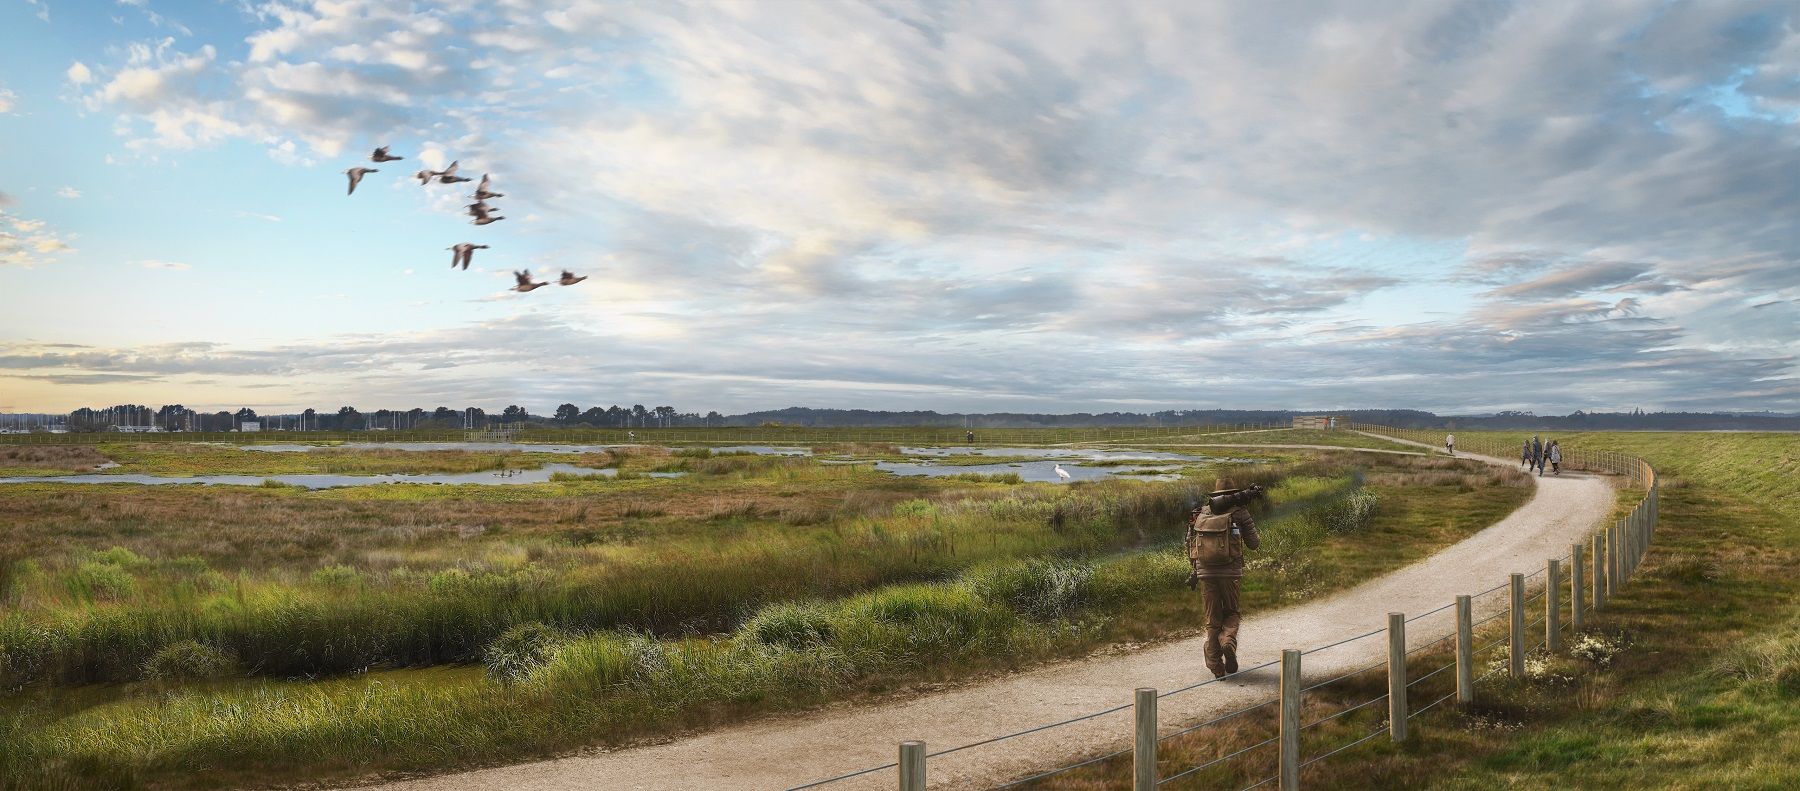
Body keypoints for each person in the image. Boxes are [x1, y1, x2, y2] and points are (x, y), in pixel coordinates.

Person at [1186, 486, 1263, 679]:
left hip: (1205, 573)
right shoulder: (1240, 512)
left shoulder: (1201, 512)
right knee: (1232, 612)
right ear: (1235, 494)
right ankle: (1228, 640)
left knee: (1212, 619)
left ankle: (1215, 664)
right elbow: (1254, 544)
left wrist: (1196, 570)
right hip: (1230, 573)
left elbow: (1189, 542)